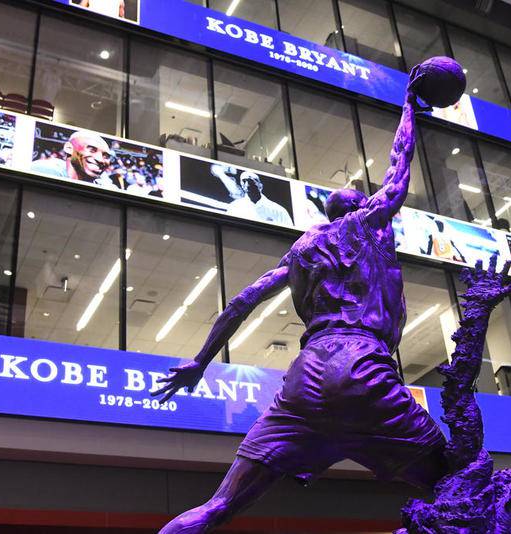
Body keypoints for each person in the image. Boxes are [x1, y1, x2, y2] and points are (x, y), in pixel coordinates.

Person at [153, 69, 446, 534]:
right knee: (458, 484)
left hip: (306, 376)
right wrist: (410, 106)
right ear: (361, 210)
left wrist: (199, 362)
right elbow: (398, 165)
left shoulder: (301, 252)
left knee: (218, 506)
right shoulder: (369, 224)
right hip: (362, 365)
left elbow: (241, 301)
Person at [31, 130, 118, 189]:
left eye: (105, 156)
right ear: (69, 148)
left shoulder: (105, 185)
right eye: (91, 150)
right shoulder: (45, 170)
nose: (101, 160)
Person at [224, 170, 294, 226]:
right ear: (242, 185)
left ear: (260, 186)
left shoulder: (278, 210)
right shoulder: (234, 207)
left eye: (252, 181)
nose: (248, 184)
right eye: (244, 181)